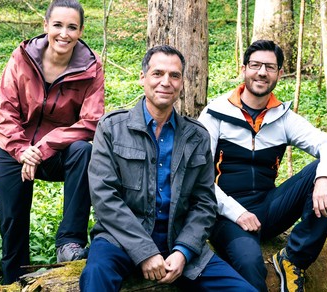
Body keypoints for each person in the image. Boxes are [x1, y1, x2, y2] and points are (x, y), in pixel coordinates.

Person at [79, 45, 256, 292]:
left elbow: (204, 202)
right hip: (119, 240)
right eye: (157, 73)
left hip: (179, 240)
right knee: (96, 277)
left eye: (174, 75)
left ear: (182, 82)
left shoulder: (196, 136)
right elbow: (104, 199)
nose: (166, 82)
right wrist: (145, 252)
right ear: (143, 77)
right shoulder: (111, 128)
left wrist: (183, 251)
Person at [198, 40, 327, 292]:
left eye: (270, 66)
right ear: (244, 69)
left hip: (268, 208)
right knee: (250, 263)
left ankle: (293, 259)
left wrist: (323, 179)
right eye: (255, 65)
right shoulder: (215, 114)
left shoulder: (283, 117)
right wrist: (237, 213)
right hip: (225, 215)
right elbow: (199, 179)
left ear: (278, 73)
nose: (262, 72)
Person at [0, 0, 104, 284]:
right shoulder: (21, 58)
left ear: (80, 31)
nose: (64, 33)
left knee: (84, 151)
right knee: (13, 226)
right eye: (57, 25)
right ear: (45, 26)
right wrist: (21, 150)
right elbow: (6, 111)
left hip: (58, 153)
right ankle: (13, 283)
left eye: (72, 27)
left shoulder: (91, 68)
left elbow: (91, 122)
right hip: (14, 149)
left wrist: (43, 147)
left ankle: (69, 243)